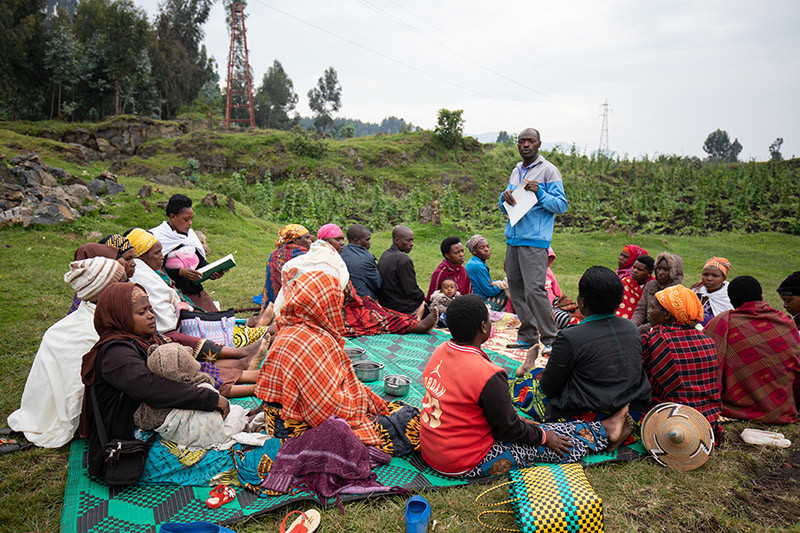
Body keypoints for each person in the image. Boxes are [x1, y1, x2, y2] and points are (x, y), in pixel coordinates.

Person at [419, 294, 633, 477]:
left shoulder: (440, 350)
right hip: (463, 462)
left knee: (532, 425)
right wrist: (544, 438)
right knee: (554, 443)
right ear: (484, 327)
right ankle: (603, 432)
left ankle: (598, 430)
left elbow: (472, 407)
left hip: (433, 451)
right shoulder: (488, 374)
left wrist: (519, 421)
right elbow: (509, 430)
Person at [79, 282, 227, 478]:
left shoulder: (142, 340)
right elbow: (152, 388)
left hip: (155, 423)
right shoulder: (116, 354)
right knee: (220, 455)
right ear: (120, 317)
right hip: (127, 444)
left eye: (150, 309)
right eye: (142, 312)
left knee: (220, 435)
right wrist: (210, 399)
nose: (151, 315)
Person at [254, 270, 388, 446]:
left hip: (277, 420)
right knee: (397, 425)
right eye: (336, 304)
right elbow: (323, 408)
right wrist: (356, 403)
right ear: (323, 304)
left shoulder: (290, 327)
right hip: (296, 432)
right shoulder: (311, 341)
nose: (338, 310)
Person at [512, 267, 652, 433]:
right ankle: (530, 369)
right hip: (631, 408)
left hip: (590, 412)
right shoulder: (631, 328)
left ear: (582, 301)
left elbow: (549, 388)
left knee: (517, 386)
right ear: (620, 300)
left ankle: (528, 371)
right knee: (544, 373)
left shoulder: (570, 336)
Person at [8, 257, 126, 448]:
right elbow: (76, 393)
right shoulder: (86, 331)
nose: (131, 286)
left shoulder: (103, 316)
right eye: (124, 282)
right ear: (105, 293)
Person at [126, 227, 268, 380]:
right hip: (169, 332)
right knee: (194, 337)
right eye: (157, 253)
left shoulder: (153, 271)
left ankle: (246, 352)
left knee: (207, 321)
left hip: (177, 318)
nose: (162, 256)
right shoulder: (140, 274)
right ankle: (244, 355)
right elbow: (164, 318)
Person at [499, 128, 568, 350]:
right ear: (517, 145)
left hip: (535, 241)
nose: (525, 144)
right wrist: (504, 198)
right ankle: (527, 335)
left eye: (530, 141)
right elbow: (506, 205)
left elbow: (561, 205)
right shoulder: (516, 170)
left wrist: (541, 193)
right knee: (517, 289)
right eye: (521, 141)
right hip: (513, 238)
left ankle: (550, 339)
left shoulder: (549, 171)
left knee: (535, 290)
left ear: (539, 144)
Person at [705, 276, 800, 424]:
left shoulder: (723, 322)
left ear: (731, 301)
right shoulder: (786, 323)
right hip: (780, 410)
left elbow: (705, 364)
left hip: (735, 409)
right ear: (761, 297)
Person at [314, 224, 437, 336]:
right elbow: (378, 284)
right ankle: (417, 326)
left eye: (342, 239)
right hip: (338, 305)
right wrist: (422, 300)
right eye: (337, 239)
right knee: (377, 318)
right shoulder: (335, 259)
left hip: (346, 300)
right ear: (325, 241)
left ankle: (412, 322)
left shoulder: (330, 256)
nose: (341, 243)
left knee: (381, 311)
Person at [641, 284, 722, 441]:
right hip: (706, 420)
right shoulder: (708, 341)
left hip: (669, 421)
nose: (649, 313)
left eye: (652, 308)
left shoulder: (653, 340)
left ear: (666, 315)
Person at [150, 194, 223, 312]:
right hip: (171, 296)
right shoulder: (157, 238)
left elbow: (201, 264)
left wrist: (213, 272)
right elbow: (155, 271)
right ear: (173, 217)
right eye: (186, 219)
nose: (190, 223)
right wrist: (180, 273)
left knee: (218, 320)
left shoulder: (190, 236)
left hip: (195, 293)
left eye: (191, 219)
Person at [377, 225, 426, 317]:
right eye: (408, 240)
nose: (412, 244)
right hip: (401, 306)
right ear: (397, 241)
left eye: (412, 240)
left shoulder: (385, 254)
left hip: (385, 303)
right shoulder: (403, 259)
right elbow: (411, 290)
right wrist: (423, 298)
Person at [632, 252, 684, 333]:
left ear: (674, 272)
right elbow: (641, 310)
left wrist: (640, 330)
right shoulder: (650, 286)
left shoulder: (677, 292)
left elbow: (664, 320)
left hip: (665, 331)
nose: (660, 272)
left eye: (665, 270)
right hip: (644, 327)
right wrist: (632, 325)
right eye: (658, 268)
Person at [263, 224, 313, 305]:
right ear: (296, 240)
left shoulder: (275, 253)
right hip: (295, 302)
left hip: (272, 302)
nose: (310, 241)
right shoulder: (304, 256)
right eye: (307, 238)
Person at [464, 234, 508, 311]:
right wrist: (504, 283)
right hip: (479, 301)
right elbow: (490, 291)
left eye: (488, 246)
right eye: (482, 248)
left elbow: (489, 283)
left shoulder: (476, 262)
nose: (487, 249)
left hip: (477, 297)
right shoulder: (477, 266)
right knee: (508, 289)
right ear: (474, 251)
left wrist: (499, 283)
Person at [340, 224, 382, 299]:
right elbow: (377, 284)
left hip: (344, 297)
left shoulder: (341, 251)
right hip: (361, 300)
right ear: (357, 241)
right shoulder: (367, 257)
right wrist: (377, 270)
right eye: (367, 240)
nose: (370, 243)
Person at [426, 237, 472, 301]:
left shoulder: (463, 270)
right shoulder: (440, 273)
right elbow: (431, 298)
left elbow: (469, 293)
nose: (462, 255)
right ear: (447, 255)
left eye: (462, 251)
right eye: (457, 253)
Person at [692, 257, 733, 327]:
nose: (709, 278)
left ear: (724, 278)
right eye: (705, 275)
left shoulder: (728, 296)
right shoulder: (696, 291)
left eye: (715, 276)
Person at [616, 255, 655, 320]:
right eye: (634, 267)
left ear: (649, 273)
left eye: (640, 270)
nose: (634, 271)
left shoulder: (653, 286)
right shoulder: (625, 283)